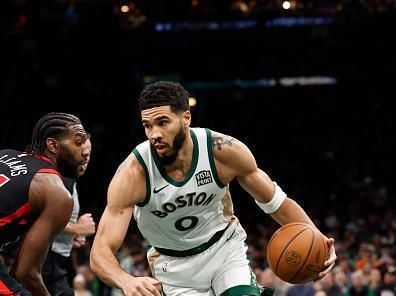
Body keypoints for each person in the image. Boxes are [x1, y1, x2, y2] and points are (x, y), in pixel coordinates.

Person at [90, 81, 337, 296]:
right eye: (147, 125)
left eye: (162, 122)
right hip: (174, 268)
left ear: (186, 118)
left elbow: (277, 204)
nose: (154, 134)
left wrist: (321, 242)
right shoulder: (133, 174)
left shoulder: (223, 151)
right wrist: (126, 280)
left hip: (224, 249)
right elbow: (100, 252)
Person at [0, 112, 88, 295]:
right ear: (53, 146)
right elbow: (25, 273)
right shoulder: (56, 192)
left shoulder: (4, 154)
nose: (85, 151)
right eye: (78, 143)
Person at [42, 137, 96, 295]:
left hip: (54, 260)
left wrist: (72, 236)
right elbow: (45, 220)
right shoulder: (61, 180)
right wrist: (79, 228)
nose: (85, 158)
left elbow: (57, 222)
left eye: (88, 153)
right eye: (81, 152)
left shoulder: (68, 179)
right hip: (46, 260)